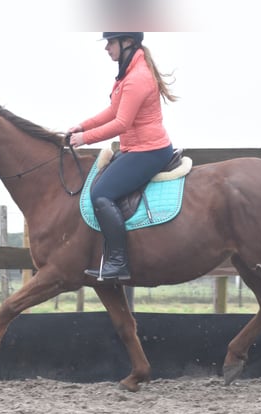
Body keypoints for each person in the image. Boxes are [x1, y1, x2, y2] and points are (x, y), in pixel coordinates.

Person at [68, 32, 177, 281]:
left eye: (110, 42)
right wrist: (82, 126)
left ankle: (118, 262)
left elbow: (122, 123)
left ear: (126, 42)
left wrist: (85, 139)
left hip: (149, 151)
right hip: (137, 148)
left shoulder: (137, 78)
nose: (106, 48)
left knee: (101, 194)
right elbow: (113, 110)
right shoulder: (129, 73)